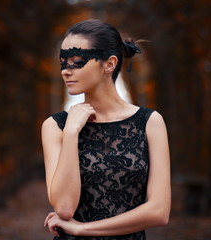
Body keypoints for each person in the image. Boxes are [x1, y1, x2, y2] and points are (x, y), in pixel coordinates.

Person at [41, 19, 171, 240]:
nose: (65, 71)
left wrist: (82, 229)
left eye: (77, 61)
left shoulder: (150, 122)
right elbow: (64, 208)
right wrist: (72, 132)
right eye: (63, 62)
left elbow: (158, 212)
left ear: (109, 64)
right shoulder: (55, 126)